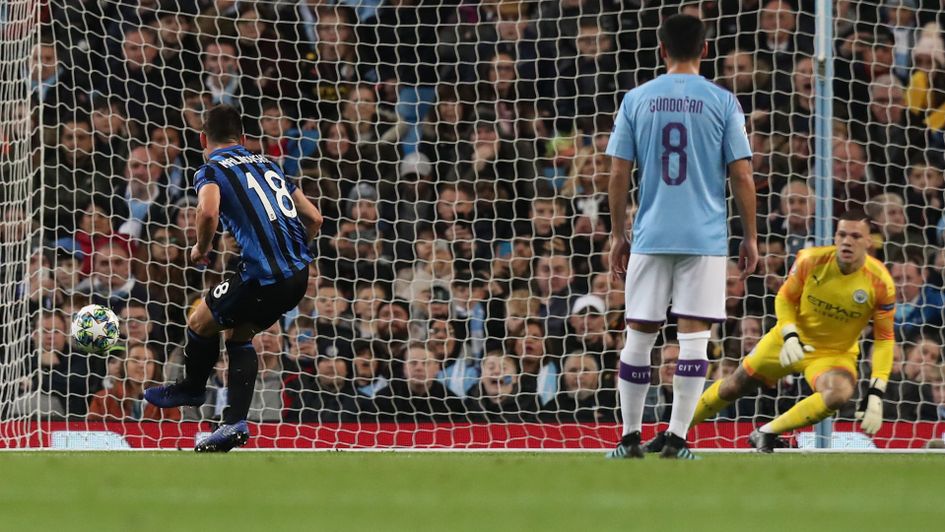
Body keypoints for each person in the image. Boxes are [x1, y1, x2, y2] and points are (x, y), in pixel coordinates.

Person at [605, 14, 758, 460]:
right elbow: (742, 175)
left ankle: (630, 439)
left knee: (639, 335)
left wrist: (618, 233)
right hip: (705, 238)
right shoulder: (723, 101)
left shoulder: (636, 99)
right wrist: (749, 237)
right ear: (705, 50)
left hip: (651, 234)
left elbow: (618, 171)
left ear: (661, 50)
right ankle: (676, 439)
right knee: (694, 340)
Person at [144, 104, 323, 452]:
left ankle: (192, 387)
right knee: (240, 335)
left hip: (262, 276)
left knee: (198, 321)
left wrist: (200, 248)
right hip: (299, 275)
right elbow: (314, 218)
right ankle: (234, 424)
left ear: (202, 138)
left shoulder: (211, 170)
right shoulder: (271, 164)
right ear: (242, 138)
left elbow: (208, 210)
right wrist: (293, 252)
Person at [646, 211, 896, 453]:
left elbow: (884, 338)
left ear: (869, 242)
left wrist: (876, 390)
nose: (846, 242)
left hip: (833, 354)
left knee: (838, 393)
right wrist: (790, 335)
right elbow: (785, 298)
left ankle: (766, 432)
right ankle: (672, 433)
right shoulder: (811, 260)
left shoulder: (880, 282)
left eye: (855, 236)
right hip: (788, 339)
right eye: (841, 235)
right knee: (733, 387)